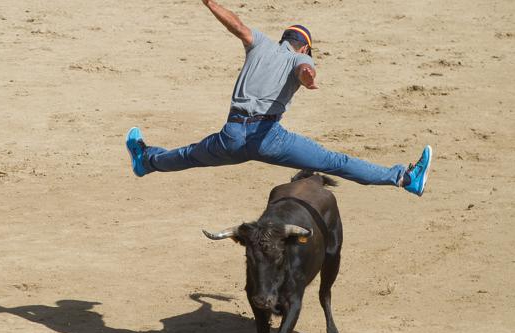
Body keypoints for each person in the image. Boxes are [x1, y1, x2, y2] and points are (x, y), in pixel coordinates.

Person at [126, 0, 432, 196]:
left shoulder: (260, 44)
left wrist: (210, 3)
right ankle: (404, 179)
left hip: (231, 135)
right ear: (305, 47)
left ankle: (147, 161)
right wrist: (307, 78)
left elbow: (239, 26)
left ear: (285, 38)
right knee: (336, 162)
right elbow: (302, 68)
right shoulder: (301, 59)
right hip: (268, 138)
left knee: (189, 155)